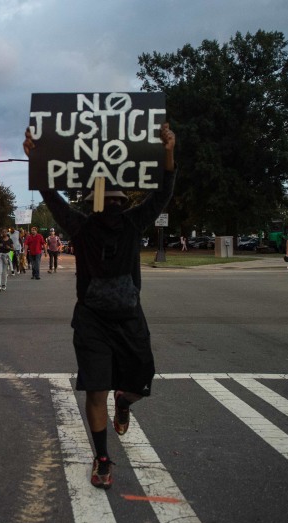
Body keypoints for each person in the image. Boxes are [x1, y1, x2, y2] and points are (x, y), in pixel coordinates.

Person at [23, 122, 176, 490]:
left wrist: (168, 152)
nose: (112, 205)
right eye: (106, 199)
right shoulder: (80, 226)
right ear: (94, 202)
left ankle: (124, 400)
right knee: (95, 390)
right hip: (92, 320)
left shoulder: (132, 223)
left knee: (141, 382)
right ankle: (102, 458)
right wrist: (37, 158)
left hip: (129, 318)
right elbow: (50, 195)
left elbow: (162, 195)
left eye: (117, 200)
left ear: (124, 203)